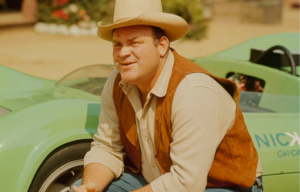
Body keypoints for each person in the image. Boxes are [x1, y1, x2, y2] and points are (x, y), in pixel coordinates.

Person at [72, 0, 263, 191]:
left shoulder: (193, 92)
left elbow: (186, 183)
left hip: (221, 186)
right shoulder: (117, 82)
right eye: (117, 44)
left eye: (134, 43)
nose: (122, 52)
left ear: (162, 46)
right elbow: (107, 148)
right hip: (156, 179)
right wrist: (90, 186)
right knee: (79, 187)